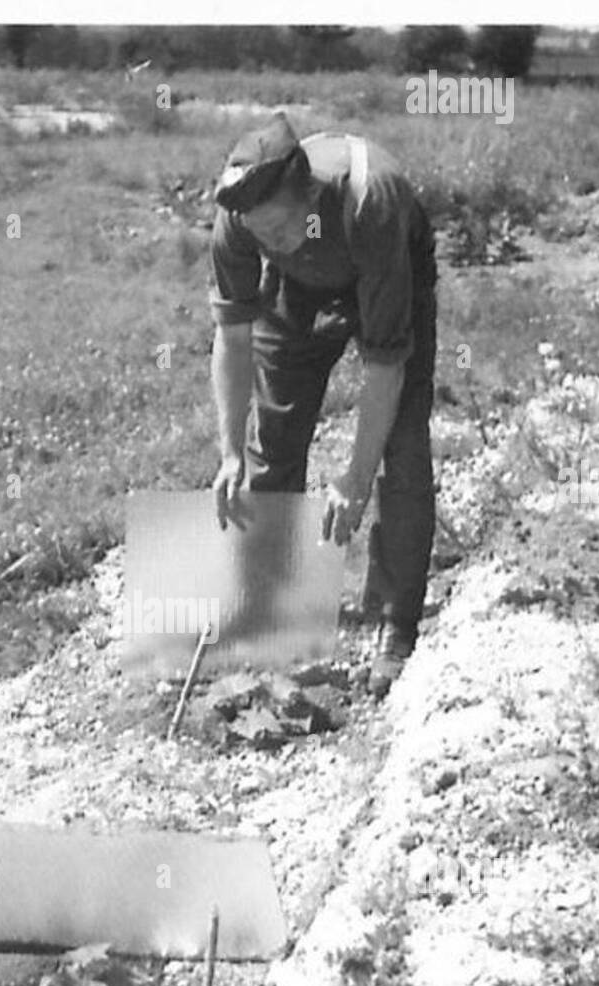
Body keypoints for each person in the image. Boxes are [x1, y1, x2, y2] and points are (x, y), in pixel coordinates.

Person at [208, 111, 437, 698]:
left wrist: (355, 477)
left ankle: (396, 621)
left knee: (402, 443)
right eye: (260, 234)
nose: (268, 241)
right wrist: (229, 453)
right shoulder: (240, 217)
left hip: (387, 264)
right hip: (299, 287)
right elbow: (232, 335)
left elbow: (385, 365)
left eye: (280, 229)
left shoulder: (370, 203)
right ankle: (274, 611)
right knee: (272, 438)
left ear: (308, 197)